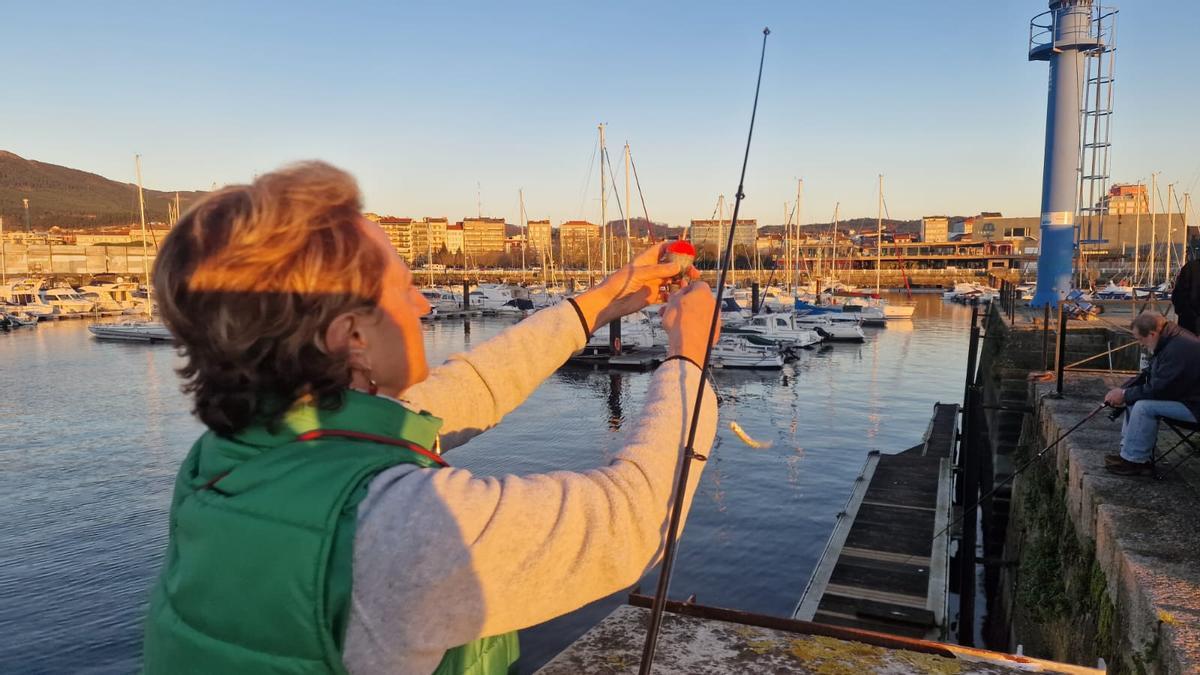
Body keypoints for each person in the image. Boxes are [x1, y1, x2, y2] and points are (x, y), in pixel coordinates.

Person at [140, 162, 719, 674]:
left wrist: (602, 301)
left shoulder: (230, 458)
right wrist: (688, 357)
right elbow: (635, 521)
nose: (423, 305)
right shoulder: (393, 527)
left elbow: (468, 390)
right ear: (354, 336)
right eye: (406, 287)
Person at [1103, 311, 1200, 475]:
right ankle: (1128, 453)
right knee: (1134, 398)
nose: (1140, 344)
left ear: (1152, 334)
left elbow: (1160, 390)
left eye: (1140, 339)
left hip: (1194, 407)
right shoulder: (1169, 340)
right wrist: (1123, 391)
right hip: (1187, 399)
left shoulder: (1177, 350)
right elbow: (1149, 375)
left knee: (1143, 406)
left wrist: (1126, 395)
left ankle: (1136, 461)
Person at [1171, 238, 1200, 334]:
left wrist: (1184, 313)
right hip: (1190, 323)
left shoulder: (1190, 267)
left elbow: (1177, 296)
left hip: (1189, 326)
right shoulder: (1190, 268)